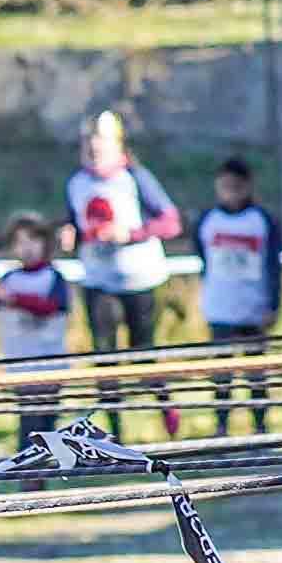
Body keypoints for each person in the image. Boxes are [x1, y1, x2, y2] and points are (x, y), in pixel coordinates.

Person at [62, 108, 174, 427]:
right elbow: (75, 222)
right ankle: (114, 430)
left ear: (117, 144)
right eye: (88, 140)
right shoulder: (76, 183)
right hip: (98, 279)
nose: (93, 147)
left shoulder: (136, 177)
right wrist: (69, 233)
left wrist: (131, 235)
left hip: (139, 278)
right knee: (104, 357)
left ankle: (166, 405)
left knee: (143, 353)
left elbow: (170, 221)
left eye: (100, 140)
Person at [192, 153, 282, 435]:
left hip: (253, 309)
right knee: (222, 373)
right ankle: (221, 426)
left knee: (256, 372)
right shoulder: (208, 220)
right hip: (221, 309)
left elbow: (273, 266)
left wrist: (273, 304)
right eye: (225, 187)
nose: (231, 193)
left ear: (248, 186)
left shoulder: (262, 221)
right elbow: (203, 259)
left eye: (237, 187)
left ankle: (260, 424)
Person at [0, 211, 79, 448]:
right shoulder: (9, 278)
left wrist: (13, 299)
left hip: (50, 364)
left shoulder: (54, 277)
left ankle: (41, 472)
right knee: (29, 423)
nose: (27, 247)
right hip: (21, 364)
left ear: (45, 243)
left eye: (33, 240)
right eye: (20, 242)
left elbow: (51, 307)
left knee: (46, 422)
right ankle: (31, 476)